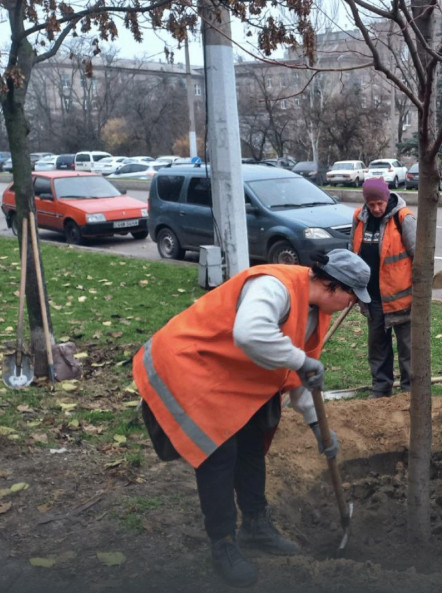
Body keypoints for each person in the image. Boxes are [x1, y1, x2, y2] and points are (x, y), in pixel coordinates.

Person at [132, 249, 370, 587]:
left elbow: (299, 373)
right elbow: (249, 334)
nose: (351, 305)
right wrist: (302, 362)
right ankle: (223, 544)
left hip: (230, 374)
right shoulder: (275, 287)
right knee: (219, 454)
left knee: (251, 446)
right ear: (334, 285)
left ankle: (256, 526)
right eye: (351, 296)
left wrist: (318, 427)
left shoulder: (317, 312)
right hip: (191, 362)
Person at [352, 177, 416, 399]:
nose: (377, 208)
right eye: (372, 204)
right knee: (378, 347)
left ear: (387, 197)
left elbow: (420, 257)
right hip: (373, 298)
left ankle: (410, 391)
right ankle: (381, 388)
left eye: (380, 203)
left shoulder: (403, 219)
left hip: (403, 298)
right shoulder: (359, 218)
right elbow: (354, 253)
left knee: (409, 349)